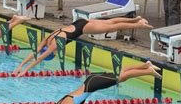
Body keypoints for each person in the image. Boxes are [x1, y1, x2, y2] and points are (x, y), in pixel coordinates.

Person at [13, 16, 153, 76]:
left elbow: (38, 58)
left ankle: (138, 24)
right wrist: (20, 65)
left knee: (110, 28)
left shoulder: (54, 46)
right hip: (79, 22)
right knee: (110, 22)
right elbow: (35, 52)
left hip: (84, 28)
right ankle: (135, 19)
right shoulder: (49, 38)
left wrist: (26, 70)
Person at [44, 61, 162, 104]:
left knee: (122, 77)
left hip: (93, 84)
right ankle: (145, 65)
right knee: (120, 74)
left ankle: (148, 71)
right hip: (91, 82)